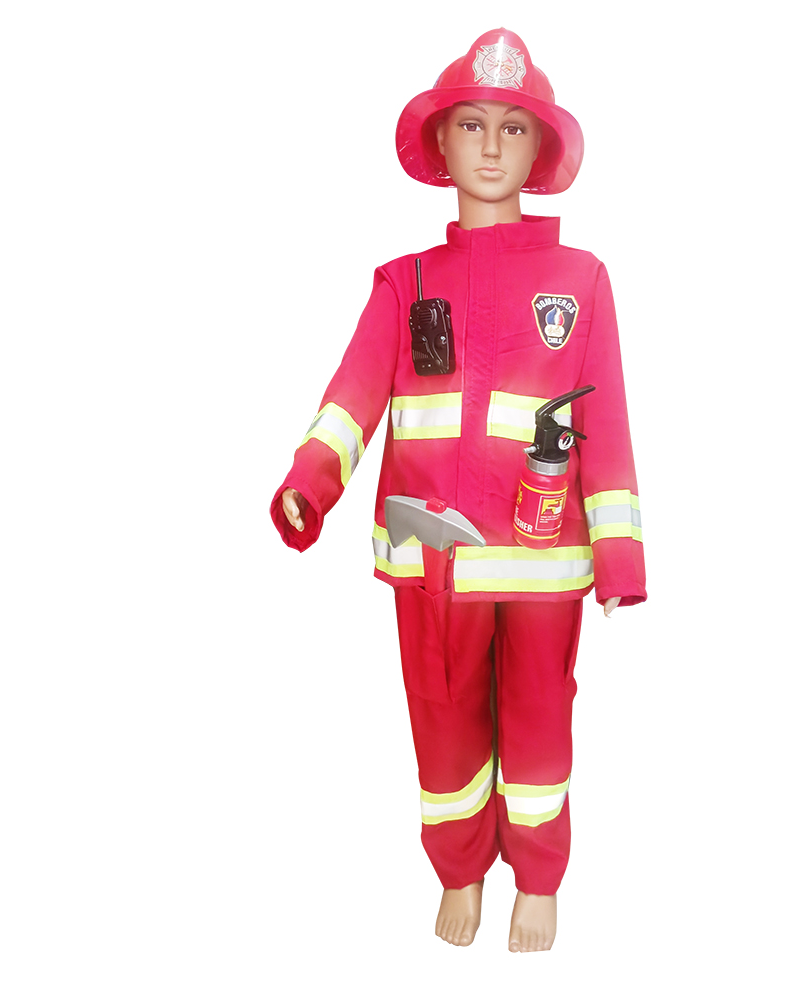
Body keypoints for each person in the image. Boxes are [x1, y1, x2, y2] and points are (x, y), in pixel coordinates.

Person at [270, 28, 646, 952]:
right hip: (432, 567)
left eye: (513, 128)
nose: (489, 146)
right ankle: (460, 867)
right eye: (471, 124)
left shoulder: (582, 281)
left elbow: (607, 423)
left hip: (543, 565)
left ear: (539, 147)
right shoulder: (404, 284)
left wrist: (620, 556)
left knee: (539, 719)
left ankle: (540, 876)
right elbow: (352, 395)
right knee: (442, 729)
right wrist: (311, 478)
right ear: (440, 141)